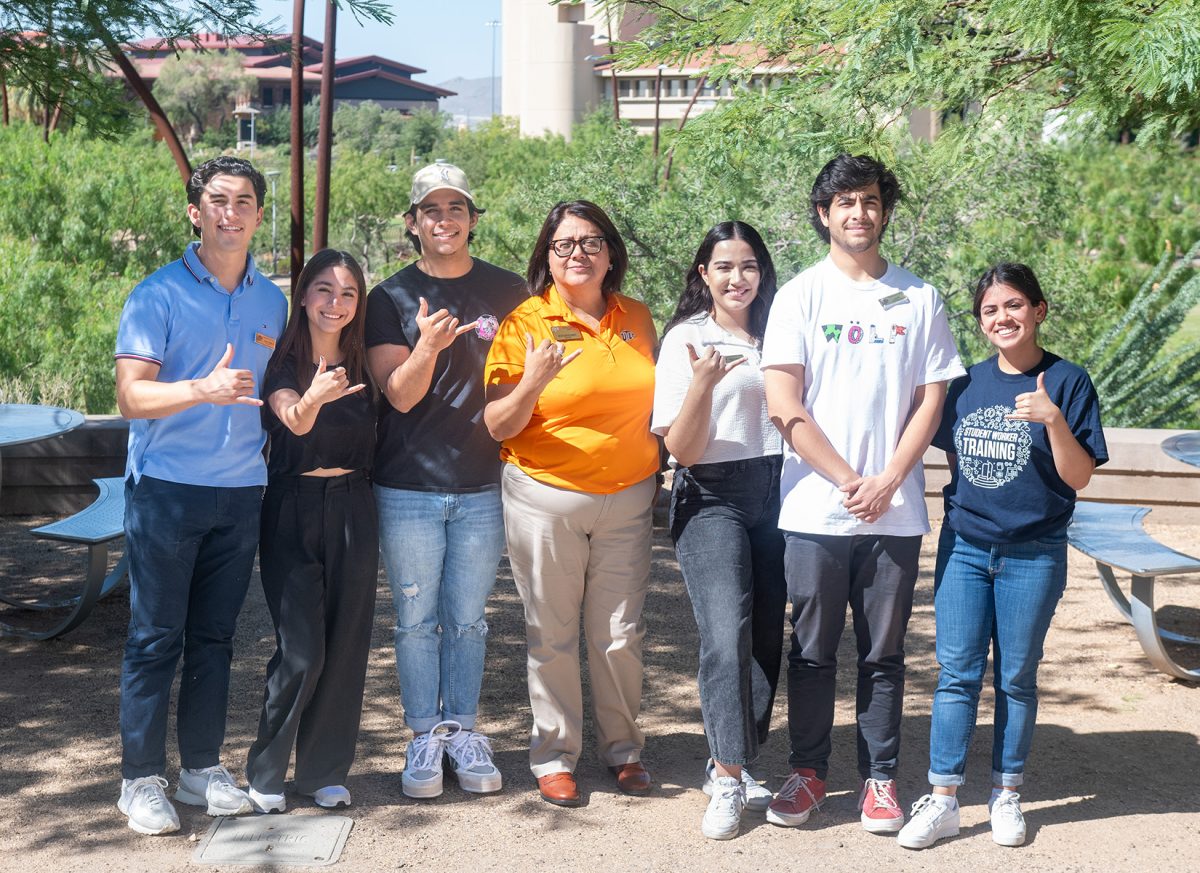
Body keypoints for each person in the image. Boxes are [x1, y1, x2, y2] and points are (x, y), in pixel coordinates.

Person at [760, 154, 965, 834]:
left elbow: (931, 400)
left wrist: (888, 479)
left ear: (885, 210)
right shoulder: (799, 296)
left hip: (896, 511)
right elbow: (783, 402)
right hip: (817, 509)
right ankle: (809, 772)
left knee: (883, 653)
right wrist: (850, 480)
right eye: (844, 201)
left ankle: (880, 779)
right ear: (823, 213)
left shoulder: (920, 297)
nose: (859, 212)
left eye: (870, 201)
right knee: (812, 650)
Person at [898, 263, 1107, 850]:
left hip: (1034, 554)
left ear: (1038, 310)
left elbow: (1080, 476)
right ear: (981, 322)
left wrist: (1055, 421)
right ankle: (942, 799)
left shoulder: (1067, 381)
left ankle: (1006, 794)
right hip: (965, 548)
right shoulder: (965, 384)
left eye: (1014, 305)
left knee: (1016, 677)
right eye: (990, 310)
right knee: (957, 675)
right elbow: (913, 428)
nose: (1003, 318)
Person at [114, 156, 287, 834]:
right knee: (155, 638)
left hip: (241, 493)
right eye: (217, 199)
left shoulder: (272, 300)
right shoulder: (155, 294)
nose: (230, 212)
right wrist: (199, 389)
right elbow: (131, 396)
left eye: (244, 201)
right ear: (195, 210)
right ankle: (140, 780)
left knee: (215, 639)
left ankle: (200, 767)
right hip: (165, 492)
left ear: (257, 215)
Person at [483, 200, 659, 808]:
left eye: (591, 243)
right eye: (564, 246)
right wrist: (532, 379)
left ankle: (624, 751)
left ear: (611, 254)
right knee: (551, 634)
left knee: (619, 635)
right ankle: (555, 756)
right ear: (547, 258)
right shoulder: (523, 324)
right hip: (546, 500)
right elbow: (498, 425)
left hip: (629, 500)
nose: (577, 254)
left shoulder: (637, 317)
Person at [366, 161, 527, 799]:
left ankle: (461, 730)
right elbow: (398, 398)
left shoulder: (509, 289)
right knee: (415, 619)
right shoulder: (389, 297)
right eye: (431, 210)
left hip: (485, 482)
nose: (444, 219)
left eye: (456, 208)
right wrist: (428, 347)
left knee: (468, 619)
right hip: (406, 484)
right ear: (413, 223)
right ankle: (422, 737)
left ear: (472, 219)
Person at [651, 221, 786, 840]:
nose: (738, 278)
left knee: (763, 634)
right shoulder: (687, 337)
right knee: (724, 633)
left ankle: (735, 756)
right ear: (703, 273)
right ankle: (727, 777)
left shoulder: (780, 332)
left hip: (780, 490)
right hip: (710, 492)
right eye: (724, 266)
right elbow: (680, 446)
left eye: (749, 266)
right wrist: (703, 383)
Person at [244, 249, 378, 814]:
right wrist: (316, 398)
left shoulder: (366, 364)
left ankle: (323, 771)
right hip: (291, 507)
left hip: (354, 506)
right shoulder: (283, 361)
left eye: (348, 294)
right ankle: (267, 772)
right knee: (300, 651)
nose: (335, 303)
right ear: (303, 295)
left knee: (347, 645)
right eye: (324, 290)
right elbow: (292, 418)